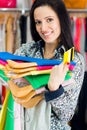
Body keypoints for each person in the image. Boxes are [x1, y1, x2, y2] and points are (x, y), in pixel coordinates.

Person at [14, 0, 85, 129]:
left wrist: (54, 89)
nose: (43, 28)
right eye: (38, 22)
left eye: (49, 20)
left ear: (61, 20)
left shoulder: (73, 60)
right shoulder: (26, 51)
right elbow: (10, 79)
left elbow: (66, 115)